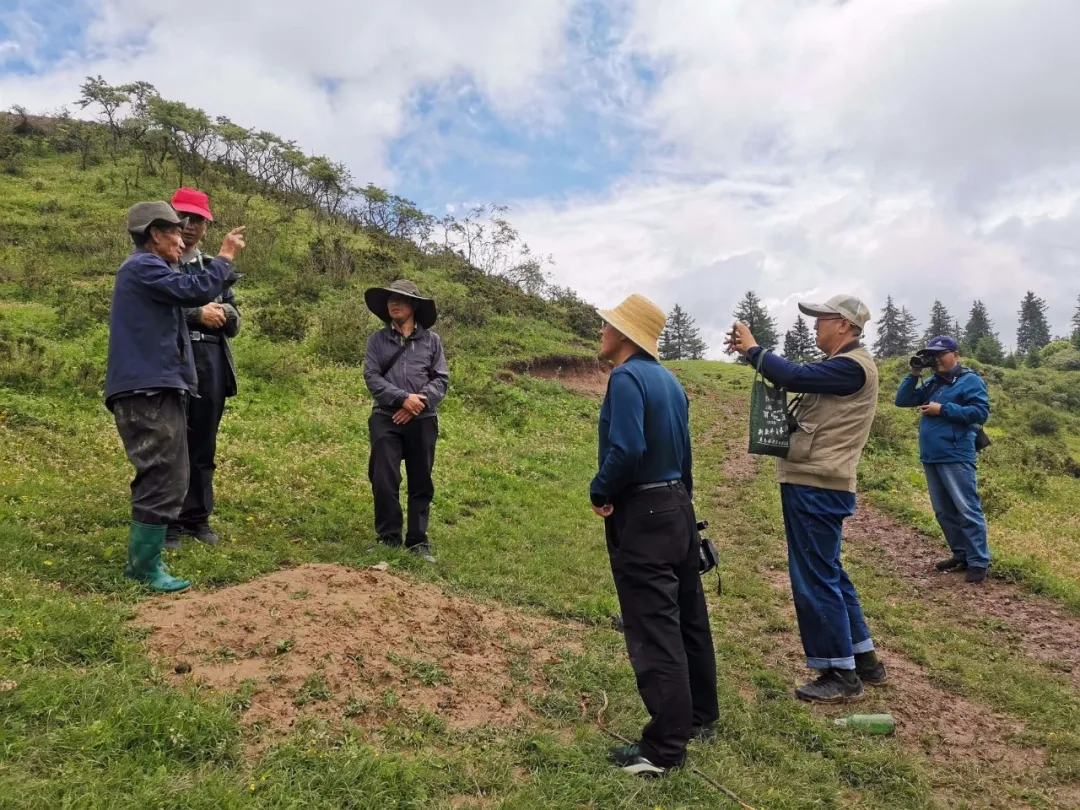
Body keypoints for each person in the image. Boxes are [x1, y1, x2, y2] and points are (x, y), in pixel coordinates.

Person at [727, 294, 887, 703]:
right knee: (828, 572)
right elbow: (795, 377)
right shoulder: (844, 367)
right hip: (819, 482)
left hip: (816, 484)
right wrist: (752, 356)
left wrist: (755, 349)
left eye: (823, 319)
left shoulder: (851, 368)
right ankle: (863, 658)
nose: (816, 326)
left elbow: (794, 376)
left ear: (846, 326)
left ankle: (839, 672)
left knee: (815, 578)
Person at [591, 294, 719, 778]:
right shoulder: (669, 380)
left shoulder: (625, 377)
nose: (601, 332)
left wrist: (601, 489)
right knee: (689, 616)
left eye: (607, 326)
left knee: (653, 626)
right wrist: (679, 502)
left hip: (642, 510)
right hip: (677, 506)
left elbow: (626, 448)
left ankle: (664, 749)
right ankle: (701, 717)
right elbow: (684, 454)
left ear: (624, 335)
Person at [105, 201, 245, 592]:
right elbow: (194, 289)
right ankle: (144, 566)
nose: (181, 238)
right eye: (174, 231)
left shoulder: (150, 271)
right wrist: (225, 256)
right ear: (155, 234)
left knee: (169, 469)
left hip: (157, 384)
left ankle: (147, 560)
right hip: (146, 386)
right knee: (162, 470)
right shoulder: (144, 267)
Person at [164, 188, 241, 549]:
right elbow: (157, 308)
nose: (190, 226)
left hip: (212, 361)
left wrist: (222, 312)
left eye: (198, 220)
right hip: (174, 361)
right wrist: (198, 312)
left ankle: (198, 518)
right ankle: (168, 523)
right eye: (183, 217)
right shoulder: (159, 261)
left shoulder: (213, 267)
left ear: (206, 227)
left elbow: (235, 319)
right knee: (171, 442)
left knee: (203, 443)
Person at [362, 280, 449, 563]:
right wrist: (401, 400)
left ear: (413, 306)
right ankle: (388, 537)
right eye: (389, 299)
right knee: (383, 477)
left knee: (421, 479)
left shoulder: (432, 341)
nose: (393, 304)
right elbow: (372, 377)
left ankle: (417, 540)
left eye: (399, 299)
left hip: (423, 418)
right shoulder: (377, 340)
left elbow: (440, 380)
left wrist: (416, 405)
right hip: (386, 417)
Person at [894, 336, 991, 583]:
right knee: (943, 511)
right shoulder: (933, 383)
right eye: (933, 355)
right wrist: (915, 372)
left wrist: (943, 410)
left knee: (966, 508)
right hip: (932, 455)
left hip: (956, 454)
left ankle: (978, 561)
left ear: (955, 354)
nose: (936, 359)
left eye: (940, 354)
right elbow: (902, 400)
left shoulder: (970, 381)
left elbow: (980, 412)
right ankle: (961, 555)